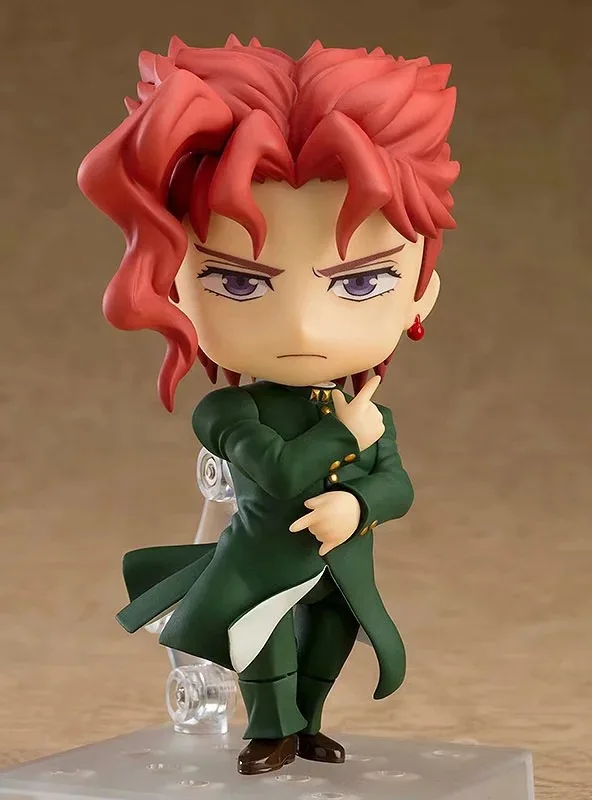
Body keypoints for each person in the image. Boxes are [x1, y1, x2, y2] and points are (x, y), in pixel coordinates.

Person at [78, 35, 459, 776]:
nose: (303, 328)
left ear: (421, 296)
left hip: (342, 568)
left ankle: (308, 724)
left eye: (359, 283)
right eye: (240, 283)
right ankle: (271, 731)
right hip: (258, 569)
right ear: (173, 290)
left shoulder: (367, 410)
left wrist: (357, 506)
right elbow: (279, 472)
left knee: (328, 645)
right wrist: (346, 433)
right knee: (266, 645)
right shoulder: (228, 414)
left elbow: (396, 485)